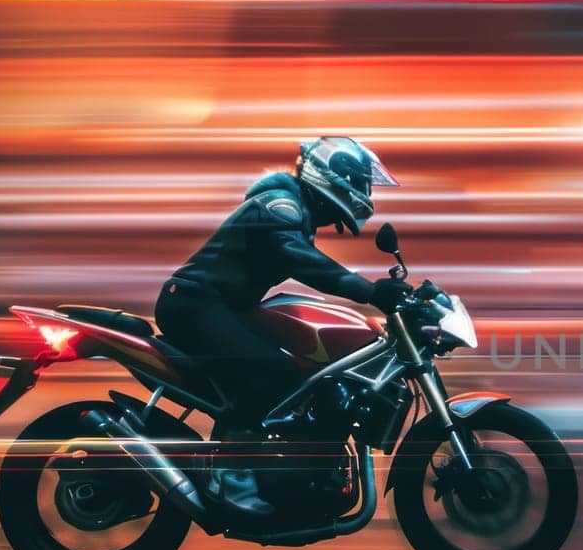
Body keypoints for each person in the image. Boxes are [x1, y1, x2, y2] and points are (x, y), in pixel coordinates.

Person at [155, 137, 413, 516]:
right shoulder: (280, 203)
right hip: (194, 303)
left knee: (300, 371)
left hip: (220, 306)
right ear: (330, 177)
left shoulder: (293, 209)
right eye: (358, 182)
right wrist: (370, 290)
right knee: (269, 373)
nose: (363, 193)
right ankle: (231, 476)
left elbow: (302, 258)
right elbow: (298, 257)